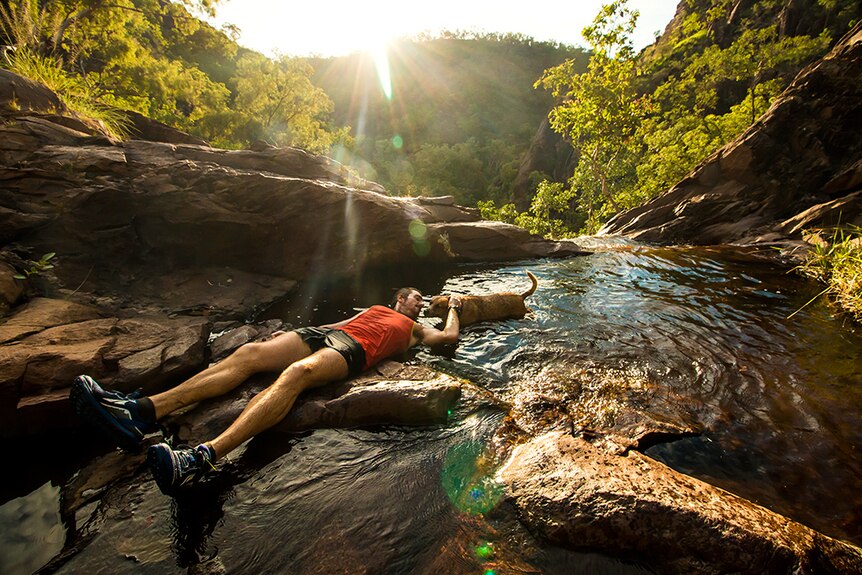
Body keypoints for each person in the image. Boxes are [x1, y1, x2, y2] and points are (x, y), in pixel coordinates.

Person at [70, 288, 462, 496]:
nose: (420, 303)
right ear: (399, 297)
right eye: (416, 299)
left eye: (422, 303)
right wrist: (293, 333)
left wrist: (456, 306)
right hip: (328, 333)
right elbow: (344, 320)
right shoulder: (379, 307)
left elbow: (449, 335)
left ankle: (199, 458)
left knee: (297, 374)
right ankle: (140, 412)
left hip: (351, 352)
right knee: (250, 353)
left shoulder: (414, 329)